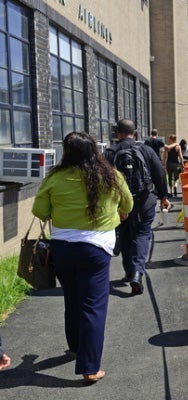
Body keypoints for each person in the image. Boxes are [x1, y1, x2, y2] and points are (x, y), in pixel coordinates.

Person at [32, 131, 134, 383]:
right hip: (96, 248)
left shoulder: (55, 177)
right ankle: (89, 367)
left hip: (62, 247)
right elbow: (128, 205)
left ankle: (76, 346)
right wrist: (118, 214)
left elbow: (39, 210)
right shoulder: (111, 175)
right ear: (94, 150)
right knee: (93, 306)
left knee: (72, 297)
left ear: (67, 151)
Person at [105, 119, 170, 295]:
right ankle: (137, 272)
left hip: (119, 204)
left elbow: (103, 180)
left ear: (117, 133)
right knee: (142, 235)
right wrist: (164, 196)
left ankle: (128, 271)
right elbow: (159, 173)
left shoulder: (110, 153)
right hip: (145, 201)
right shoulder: (146, 150)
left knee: (125, 234)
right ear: (135, 133)